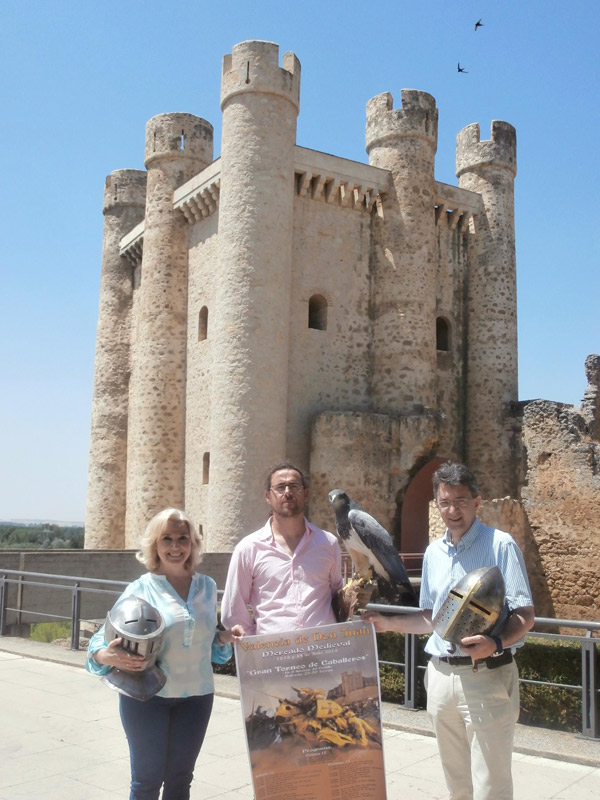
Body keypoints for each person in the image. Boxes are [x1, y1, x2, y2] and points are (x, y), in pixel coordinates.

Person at [363, 462, 534, 800]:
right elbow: (432, 620)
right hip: (440, 676)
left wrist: (495, 643)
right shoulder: (433, 554)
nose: (453, 510)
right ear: (437, 504)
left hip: (487, 675)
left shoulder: (501, 545)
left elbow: (525, 615)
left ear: (477, 501)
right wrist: (388, 624)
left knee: (491, 788)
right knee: (457, 786)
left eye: (461, 501)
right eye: (445, 502)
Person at [86, 508, 243, 800]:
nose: (174, 547)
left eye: (182, 538)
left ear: (193, 543)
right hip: (148, 700)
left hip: (197, 697)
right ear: (155, 545)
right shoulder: (141, 588)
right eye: (166, 539)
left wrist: (224, 637)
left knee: (180, 781)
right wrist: (104, 656)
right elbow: (98, 642)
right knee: (146, 782)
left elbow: (210, 649)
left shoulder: (207, 587)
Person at [220, 460, 344, 634]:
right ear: (268, 497)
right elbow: (233, 611)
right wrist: (259, 645)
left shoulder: (328, 543)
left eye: (294, 486)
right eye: (280, 487)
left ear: (306, 494)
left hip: (322, 655)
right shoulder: (248, 549)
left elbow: (337, 596)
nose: (288, 492)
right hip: (273, 657)